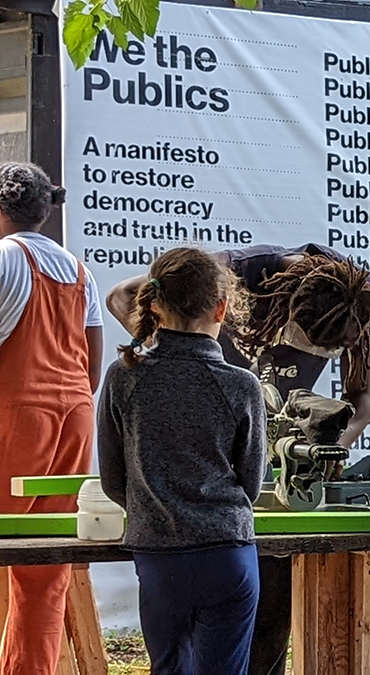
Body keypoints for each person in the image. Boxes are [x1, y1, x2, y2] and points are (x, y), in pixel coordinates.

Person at [107, 243, 370, 675]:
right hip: (225, 497)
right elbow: (122, 295)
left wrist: (337, 444)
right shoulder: (238, 271)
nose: (311, 352)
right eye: (306, 339)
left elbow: (361, 398)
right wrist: (176, 373)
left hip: (240, 489)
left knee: (261, 630)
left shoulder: (363, 304)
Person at [97, 247, 266, 674]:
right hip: (228, 554)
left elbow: (113, 480)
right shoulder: (240, 385)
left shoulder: (123, 376)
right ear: (222, 308)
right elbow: (252, 482)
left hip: (159, 556)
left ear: (153, 303)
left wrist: (155, 510)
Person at [0, 163, 103, 673]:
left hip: (19, 413)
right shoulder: (80, 270)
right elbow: (92, 365)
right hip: (75, 416)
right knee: (44, 563)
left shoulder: (3, 258)